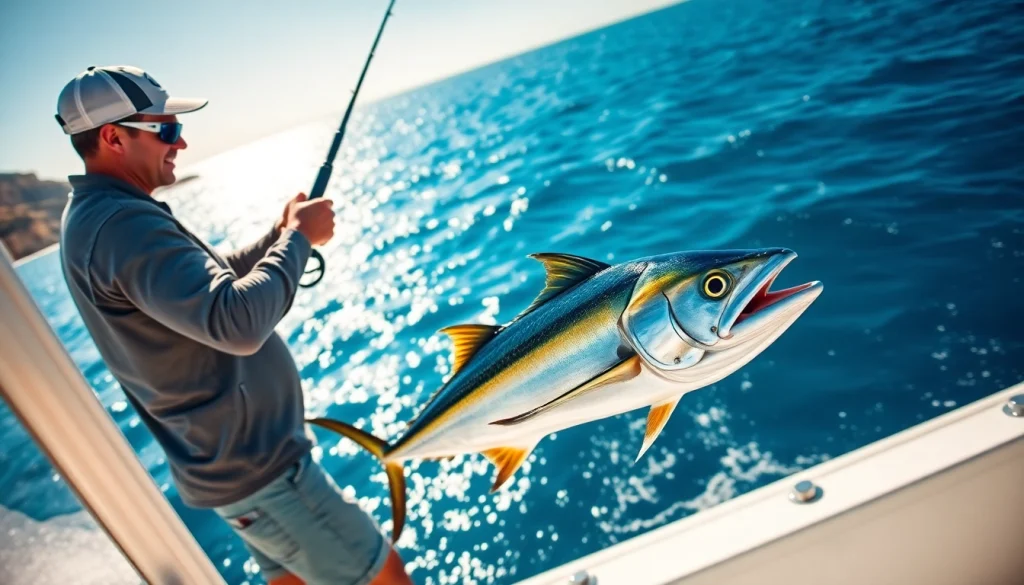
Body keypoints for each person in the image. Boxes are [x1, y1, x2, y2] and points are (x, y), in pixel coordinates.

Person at [55, 65, 413, 585]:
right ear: (113, 137)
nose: (180, 142)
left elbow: (205, 289)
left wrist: (280, 234)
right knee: (385, 575)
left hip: (235, 473)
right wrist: (299, 240)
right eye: (167, 129)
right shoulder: (121, 225)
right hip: (264, 474)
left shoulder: (100, 216)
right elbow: (237, 322)